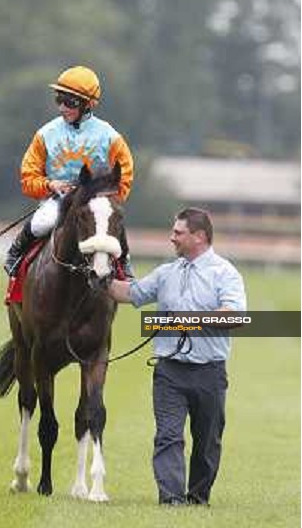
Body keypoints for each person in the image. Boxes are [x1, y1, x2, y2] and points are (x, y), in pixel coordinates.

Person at [106, 207, 246, 506]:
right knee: (168, 436)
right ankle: (171, 499)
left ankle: (198, 498)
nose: (172, 238)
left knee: (207, 441)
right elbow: (129, 294)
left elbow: (234, 314)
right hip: (169, 371)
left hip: (209, 371)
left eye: (178, 233)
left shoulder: (225, 273)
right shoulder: (166, 272)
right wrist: (99, 275)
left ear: (199, 236)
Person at [4, 65, 135, 277]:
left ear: (88, 104)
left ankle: (124, 263)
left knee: (112, 223)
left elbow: (124, 179)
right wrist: (49, 184)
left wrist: (106, 198)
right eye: (59, 100)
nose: (62, 108)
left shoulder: (111, 138)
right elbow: (28, 176)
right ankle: (16, 251)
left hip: (95, 201)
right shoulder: (45, 134)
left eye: (70, 102)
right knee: (42, 222)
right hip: (58, 200)